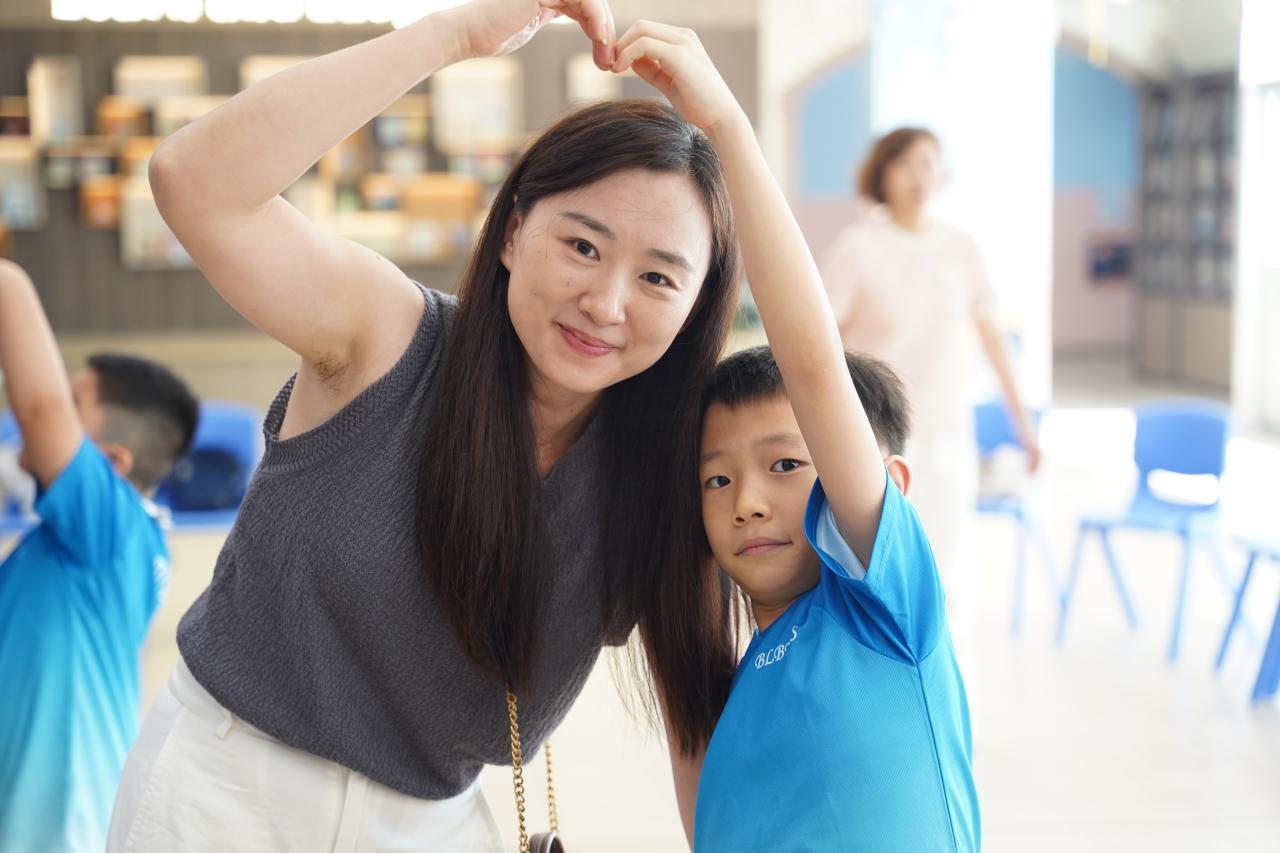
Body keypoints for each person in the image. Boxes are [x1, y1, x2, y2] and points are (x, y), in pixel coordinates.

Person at [106, 2, 742, 849]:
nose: (606, 302)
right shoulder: (388, 335)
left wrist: (729, 128)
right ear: (512, 233)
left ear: (697, 305)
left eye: (659, 278)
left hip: (435, 825)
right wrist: (453, 35)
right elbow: (194, 182)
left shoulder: (663, 471)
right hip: (225, 795)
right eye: (583, 247)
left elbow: (699, 719)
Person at [604, 37, 979, 848]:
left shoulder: (885, 612)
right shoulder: (728, 692)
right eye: (715, 479)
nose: (746, 501)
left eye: (784, 464)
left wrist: (725, 126)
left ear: (891, 484)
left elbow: (810, 359)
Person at [0, 259, 199, 853]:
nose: (51, 410)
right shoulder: (83, 543)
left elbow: (38, 408)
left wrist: (9, 277)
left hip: (58, 834)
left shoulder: (110, 528)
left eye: (73, 404)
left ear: (111, 464)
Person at [819, 127, 1040, 648]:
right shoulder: (858, 248)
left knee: (944, 573)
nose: (919, 176)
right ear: (882, 174)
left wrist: (1024, 427)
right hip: (872, 437)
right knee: (876, 572)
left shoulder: (962, 248)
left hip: (944, 433)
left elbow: (992, 340)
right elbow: (820, 342)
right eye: (906, 164)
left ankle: (935, 676)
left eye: (929, 163)